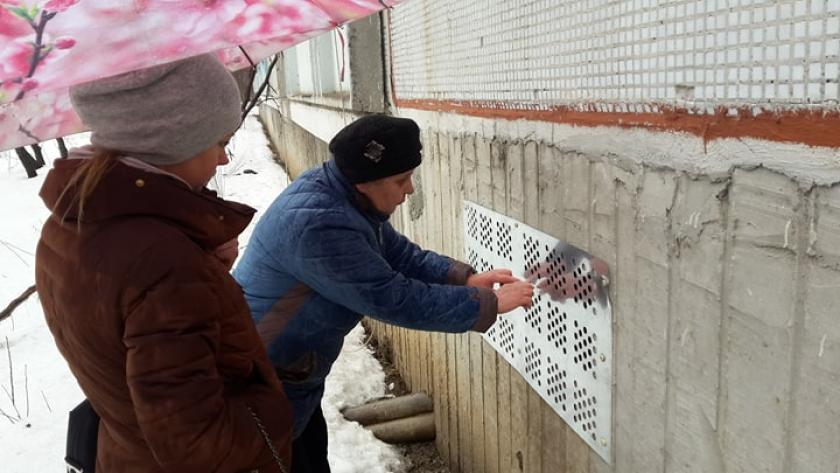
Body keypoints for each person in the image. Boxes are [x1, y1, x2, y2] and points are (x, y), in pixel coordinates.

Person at [35, 54, 293, 472]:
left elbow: (123, 322)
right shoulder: (162, 263)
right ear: (174, 139)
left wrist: (202, 269)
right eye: (219, 142)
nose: (223, 160)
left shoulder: (71, 223)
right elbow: (199, 445)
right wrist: (272, 416)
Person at [233, 114, 534, 473]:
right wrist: (489, 304)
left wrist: (463, 279)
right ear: (364, 182)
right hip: (263, 378)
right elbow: (392, 298)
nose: (410, 190)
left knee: (309, 454)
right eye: (401, 180)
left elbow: (396, 253)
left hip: (292, 372)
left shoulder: (341, 195)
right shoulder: (319, 223)